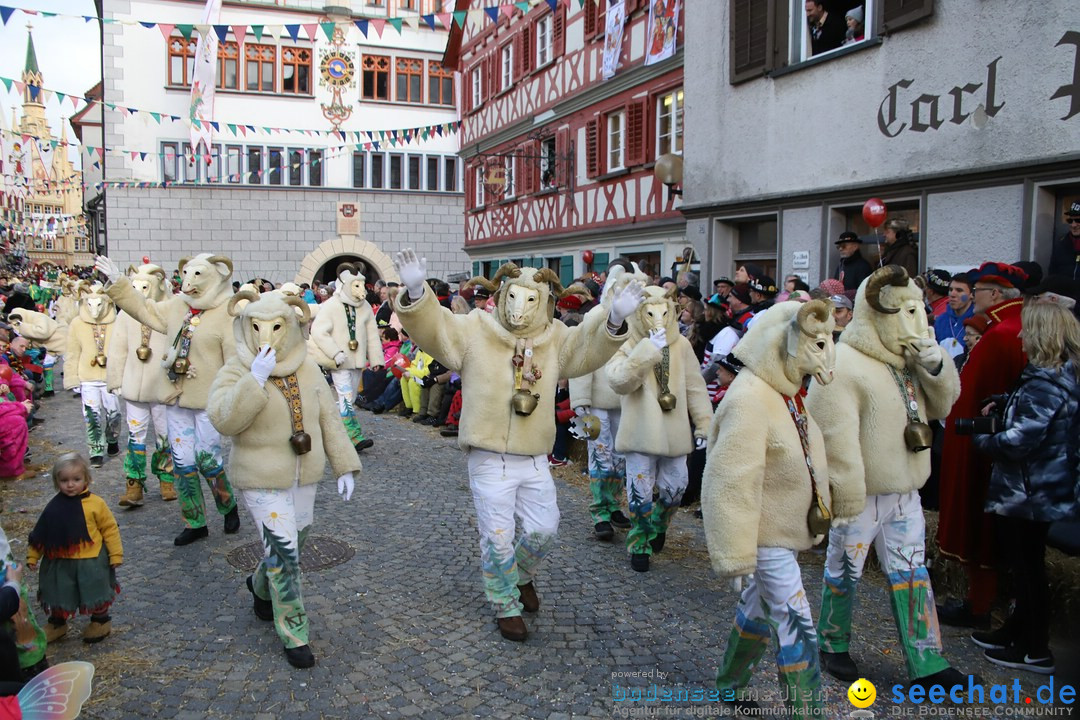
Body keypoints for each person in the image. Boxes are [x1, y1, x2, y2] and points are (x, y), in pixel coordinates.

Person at [392, 250, 643, 642]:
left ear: (543, 302)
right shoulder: (476, 329)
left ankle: (522, 575)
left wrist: (614, 317)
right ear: (502, 293)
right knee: (497, 535)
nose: (520, 308)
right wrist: (415, 291)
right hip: (489, 456)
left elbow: (585, 349)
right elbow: (436, 330)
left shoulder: (555, 337)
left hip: (533, 455)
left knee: (545, 529)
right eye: (512, 297)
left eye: (531, 300)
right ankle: (504, 601)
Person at [808, 265, 969, 690]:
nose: (915, 323)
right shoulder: (843, 364)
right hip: (861, 493)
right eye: (904, 313)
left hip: (905, 488)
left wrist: (936, 368)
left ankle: (927, 658)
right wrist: (841, 493)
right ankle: (832, 641)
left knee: (912, 570)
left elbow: (942, 407)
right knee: (845, 567)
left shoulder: (908, 359)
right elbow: (831, 436)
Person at [208, 292, 361, 669]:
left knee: (296, 538)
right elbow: (223, 419)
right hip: (260, 477)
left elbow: (329, 420)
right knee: (285, 553)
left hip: (304, 474)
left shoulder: (308, 368)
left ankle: (260, 586)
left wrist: (345, 465)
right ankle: (295, 632)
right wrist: (253, 382)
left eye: (276, 327)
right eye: (257, 327)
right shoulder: (235, 370)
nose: (267, 336)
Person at [702, 300, 837, 716]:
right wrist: (736, 553)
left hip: (780, 526)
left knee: (758, 606)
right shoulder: (750, 399)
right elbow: (729, 481)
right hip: (764, 533)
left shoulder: (787, 394)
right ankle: (808, 710)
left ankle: (729, 682)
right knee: (796, 619)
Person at [96, 253, 241, 547]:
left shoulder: (227, 314)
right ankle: (195, 521)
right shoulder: (176, 307)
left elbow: (234, 362)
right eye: (186, 276)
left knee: (207, 458)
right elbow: (144, 310)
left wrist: (229, 396)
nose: (188, 285)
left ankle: (227, 505)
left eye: (197, 277)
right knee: (183, 461)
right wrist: (118, 282)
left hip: (207, 402)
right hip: (175, 397)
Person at [971, 302, 1080, 675]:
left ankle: (1035, 648)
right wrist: (1004, 403)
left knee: (1027, 566)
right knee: (1022, 565)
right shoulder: (1054, 375)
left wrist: (984, 442)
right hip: (1036, 486)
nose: (1020, 335)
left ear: (1042, 334)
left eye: (1027, 329)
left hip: (1031, 490)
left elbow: (1022, 438)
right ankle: (1015, 631)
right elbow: (1039, 415)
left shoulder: (1047, 379)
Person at [938, 262, 1029, 628]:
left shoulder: (1001, 334)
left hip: (985, 450)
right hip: (992, 446)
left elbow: (978, 396)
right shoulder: (1009, 328)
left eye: (976, 291)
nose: (970, 296)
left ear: (994, 294)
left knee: (982, 527)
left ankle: (980, 605)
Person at [606, 286, 712, 573]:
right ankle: (639, 541)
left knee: (675, 489)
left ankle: (659, 524)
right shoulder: (627, 341)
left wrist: (704, 423)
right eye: (651, 313)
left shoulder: (682, 346)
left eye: (664, 313)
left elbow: (694, 386)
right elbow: (617, 381)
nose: (658, 320)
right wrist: (646, 351)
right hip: (641, 431)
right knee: (639, 492)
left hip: (674, 430)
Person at [26, 453, 122, 645]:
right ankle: (57, 622)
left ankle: (100, 621)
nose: (70, 485)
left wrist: (115, 553)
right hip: (59, 561)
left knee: (94, 590)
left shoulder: (95, 504)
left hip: (91, 560)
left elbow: (109, 528)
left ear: (86, 479)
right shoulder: (53, 508)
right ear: (56, 482)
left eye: (76, 479)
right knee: (58, 590)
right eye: (64, 480)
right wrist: (33, 556)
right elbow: (41, 533)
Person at [106, 264, 178, 506]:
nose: (139, 293)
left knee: (164, 435)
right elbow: (118, 347)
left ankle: (166, 477)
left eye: (144, 287)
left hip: (161, 387)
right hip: (135, 386)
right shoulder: (125, 314)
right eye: (135, 287)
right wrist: (115, 379)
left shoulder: (168, 311)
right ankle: (133, 483)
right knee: (135, 435)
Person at [309, 263, 381, 453]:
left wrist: (376, 359)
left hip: (357, 361)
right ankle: (353, 437)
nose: (361, 290)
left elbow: (372, 333)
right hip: (340, 361)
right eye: (356, 285)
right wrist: (334, 352)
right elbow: (318, 331)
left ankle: (331, 429)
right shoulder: (332, 305)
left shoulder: (364, 306)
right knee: (346, 396)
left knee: (350, 397)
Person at [64, 287, 121, 468]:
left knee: (114, 413)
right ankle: (95, 450)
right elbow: (72, 352)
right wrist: (72, 378)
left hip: (109, 377)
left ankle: (112, 439)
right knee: (91, 414)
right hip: (87, 377)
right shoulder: (77, 324)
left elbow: (122, 351)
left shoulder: (116, 322)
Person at [934, 273, 975, 359]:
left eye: (959, 290)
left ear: (971, 294)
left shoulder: (976, 321)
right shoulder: (940, 321)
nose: (952, 294)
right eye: (950, 289)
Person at [1048, 201, 1080, 279]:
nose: (1073, 225)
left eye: (1078, 221)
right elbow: (1052, 274)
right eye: (1070, 221)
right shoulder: (1061, 244)